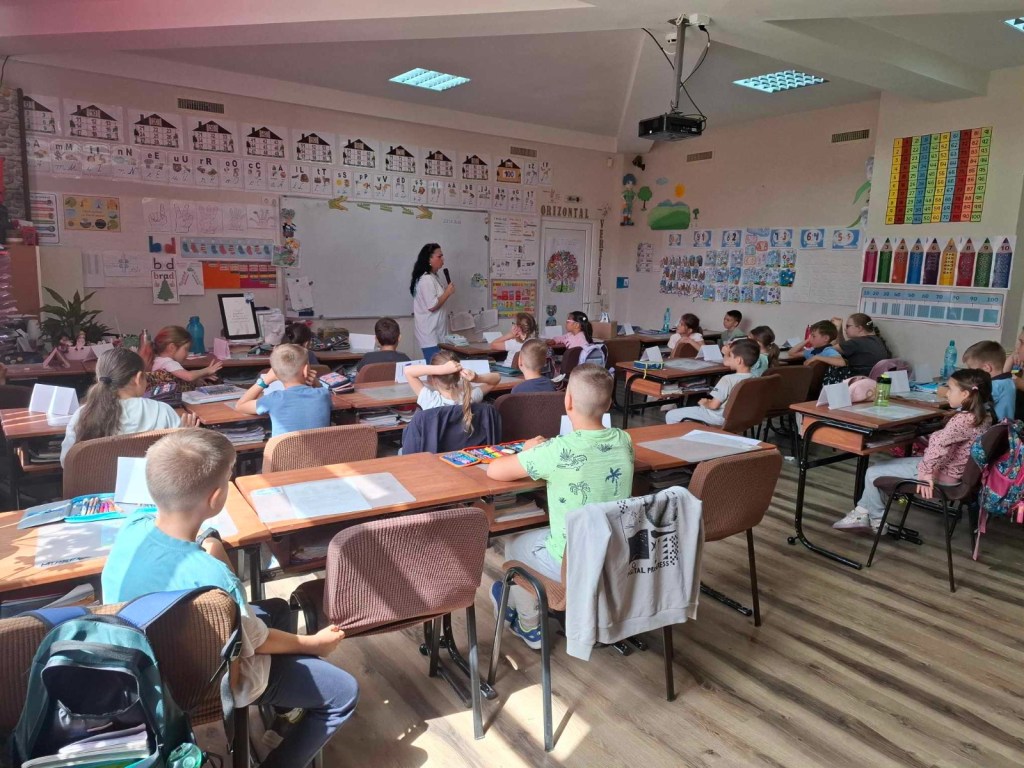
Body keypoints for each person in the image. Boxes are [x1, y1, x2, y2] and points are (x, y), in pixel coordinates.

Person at [101, 430, 358, 768]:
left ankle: (282, 711)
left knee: (277, 608)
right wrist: (314, 644)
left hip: (147, 669)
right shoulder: (214, 579)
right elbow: (257, 641)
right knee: (344, 692)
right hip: (209, 682)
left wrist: (208, 542)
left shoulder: (132, 526)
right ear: (217, 497)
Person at [486, 364, 634, 649]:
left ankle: (529, 624)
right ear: (609, 404)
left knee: (514, 543)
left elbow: (495, 470)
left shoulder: (557, 450)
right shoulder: (624, 440)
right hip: (615, 553)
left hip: (570, 562)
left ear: (567, 401)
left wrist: (528, 451)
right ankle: (512, 602)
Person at [833, 368, 993, 532]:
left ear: (965, 394)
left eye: (950, 389)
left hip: (942, 474)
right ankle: (863, 513)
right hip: (954, 472)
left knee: (873, 472)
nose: (947, 394)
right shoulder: (984, 417)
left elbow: (938, 444)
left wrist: (926, 474)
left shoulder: (963, 420)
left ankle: (875, 521)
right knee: (881, 467)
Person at [60, 347, 194, 466]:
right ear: (139, 378)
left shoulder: (82, 415)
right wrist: (186, 437)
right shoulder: (163, 411)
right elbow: (178, 463)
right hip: (150, 485)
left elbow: (67, 462)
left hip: (96, 487)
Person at [235, 343, 331, 437]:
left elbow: (240, 406)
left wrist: (265, 380)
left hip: (285, 448)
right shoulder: (323, 394)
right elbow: (322, 392)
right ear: (306, 370)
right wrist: (316, 382)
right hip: (321, 448)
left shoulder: (273, 399)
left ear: (275, 374)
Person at [665, 338, 758, 426]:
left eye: (730, 355)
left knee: (671, 415)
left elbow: (714, 406)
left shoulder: (728, 379)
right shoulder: (756, 378)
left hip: (719, 417)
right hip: (741, 417)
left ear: (738, 360)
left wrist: (705, 403)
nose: (727, 357)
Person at [403, 350, 501, 432]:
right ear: (458, 376)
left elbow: (408, 371)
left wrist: (441, 369)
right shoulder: (469, 398)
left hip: (437, 449)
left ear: (433, 377)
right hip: (464, 449)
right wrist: (477, 378)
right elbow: (496, 379)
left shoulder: (430, 401)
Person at [410, 243, 455, 360]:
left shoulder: (433, 277)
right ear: (429, 259)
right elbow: (432, 306)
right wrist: (447, 292)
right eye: (439, 256)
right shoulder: (426, 279)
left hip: (437, 334)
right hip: (430, 336)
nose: (443, 259)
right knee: (435, 368)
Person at [144, 325, 223, 387]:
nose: (187, 353)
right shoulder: (169, 363)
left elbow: (178, 380)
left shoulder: (157, 360)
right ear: (172, 347)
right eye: (186, 349)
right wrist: (206, 370)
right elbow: (189, 376)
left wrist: (200, 377)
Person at [961, 340, 1013, 421]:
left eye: (971, 369)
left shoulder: (994, 385)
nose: (970, 373)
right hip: (1006, 426)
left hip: (995, 427)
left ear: (986, 368)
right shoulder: (1008, 381)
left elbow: (972, 401)